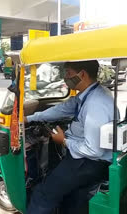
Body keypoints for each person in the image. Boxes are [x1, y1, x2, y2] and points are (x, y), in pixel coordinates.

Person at [25, 60, 115, 214]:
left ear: (82, 74)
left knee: (43, 194)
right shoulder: (91, 93)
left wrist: (64, 141)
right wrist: (29, 118)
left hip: (88, 162)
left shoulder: (95, 104)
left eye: (68, 73)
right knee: (74, 198)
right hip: (89, 161)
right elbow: (63, 109)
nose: (65, 77)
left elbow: (94, 150)